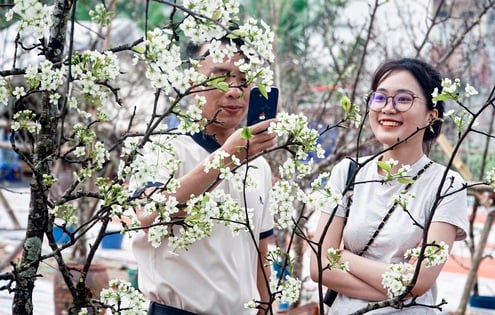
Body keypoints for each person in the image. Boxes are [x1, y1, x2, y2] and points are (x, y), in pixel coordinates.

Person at [130, 34, 278, 315]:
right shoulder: (162, 145)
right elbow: (149, 214)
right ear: (191, 81)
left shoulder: (259, 166)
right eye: (221, 77)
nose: (234, 90)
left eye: (244, 80)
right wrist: (227, 158)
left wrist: (266, 305)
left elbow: (259, 249)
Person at [310, 58, 469, 314]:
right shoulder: (348, 172)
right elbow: (318, 266)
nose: (388, 108)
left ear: (431, 115)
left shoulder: (447, 185)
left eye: (404, 99)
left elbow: (419, 280)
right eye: (380, 98)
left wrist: (341, 257)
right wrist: (399, 290)